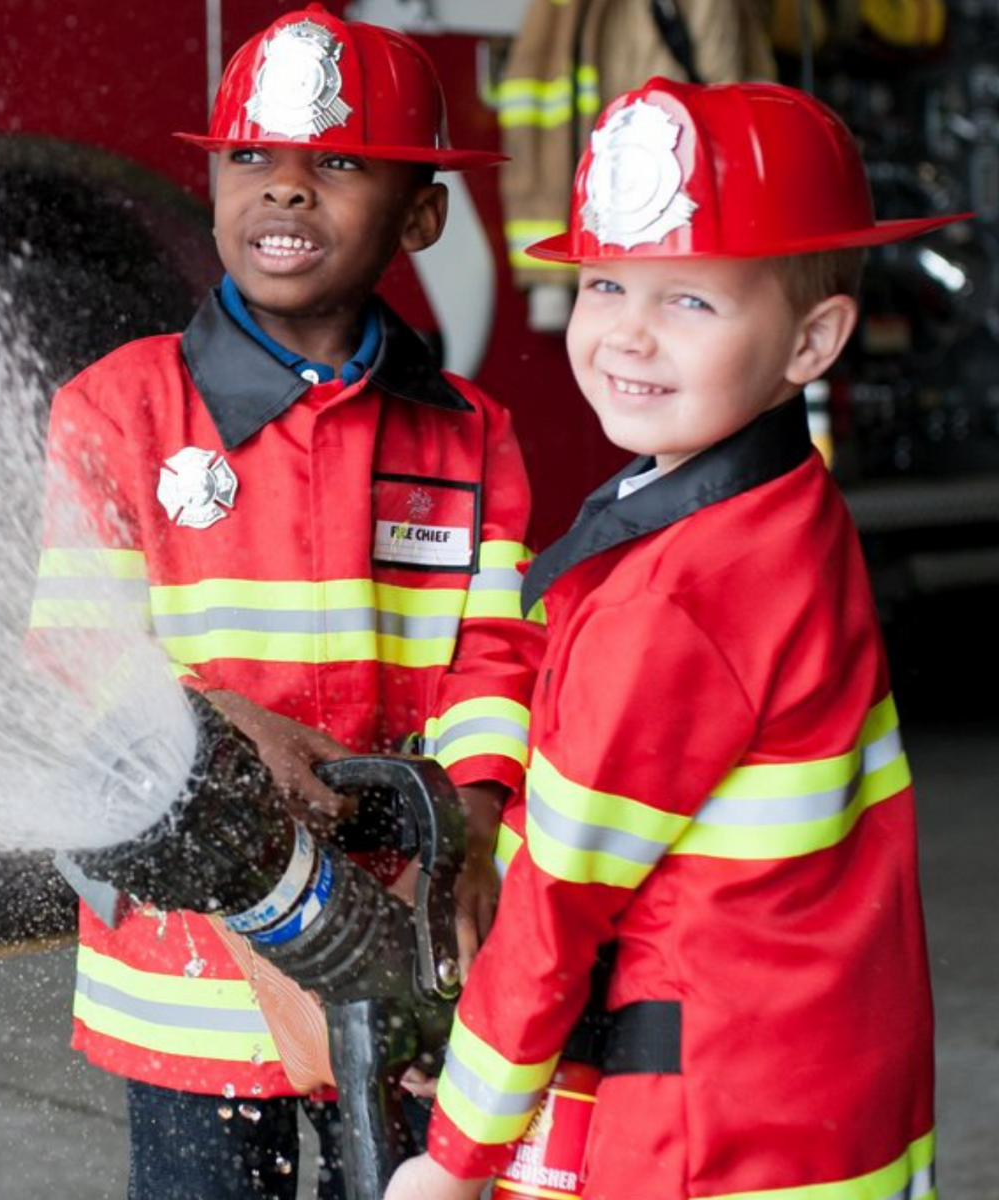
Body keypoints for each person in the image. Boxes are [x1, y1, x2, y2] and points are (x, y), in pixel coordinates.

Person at [384, 76, 968, 1200]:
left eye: (691, 301)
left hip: (703, 1139)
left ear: (815, 339)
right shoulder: (786, 509)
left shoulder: (676, 596)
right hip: (828, 1101)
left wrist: (455, 1158)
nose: (626, 336)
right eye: (606, 283)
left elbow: (558, 908)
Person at [27, 5, 545, 1199]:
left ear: (423, 212)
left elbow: (496, 655)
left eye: (340, 163)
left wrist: (466, 829)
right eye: (250, 158)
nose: (288, 191)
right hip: (193, 977)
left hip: (411, 943)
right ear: (210, 185)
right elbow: (75, 649)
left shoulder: (473, 438)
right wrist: (219, 730)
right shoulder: (117, 412)